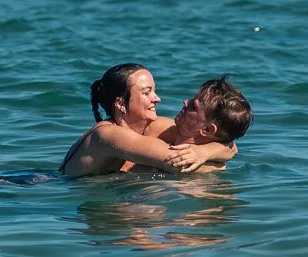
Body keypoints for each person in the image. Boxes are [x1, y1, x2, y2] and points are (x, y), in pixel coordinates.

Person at [60, 63, 243, 179]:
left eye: (154, 91)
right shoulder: (109, 134)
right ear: (120, 103)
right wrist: (218, 167)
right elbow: (175, 164)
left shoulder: (153, 127)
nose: (157, 99)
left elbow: (229, 145)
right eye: (147, 93)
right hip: (56, 188)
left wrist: (202, 152)